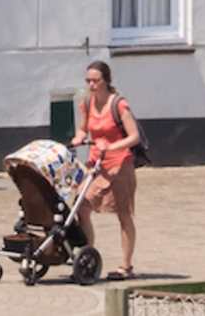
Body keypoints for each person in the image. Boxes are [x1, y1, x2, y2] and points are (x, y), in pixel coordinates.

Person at [75, 59, 143, 280]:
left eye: (95, 81)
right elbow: (83, 129)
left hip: (120, 165)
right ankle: (87, 260)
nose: (91, 85)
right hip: (96, 166)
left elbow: (134, 137)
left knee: (123, 215)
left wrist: (111, 146)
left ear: (106, 81)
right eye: (88, 81)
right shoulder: (87, 102)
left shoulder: (119, 104)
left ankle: (126, 266)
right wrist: (78, 138)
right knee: (81, 207)